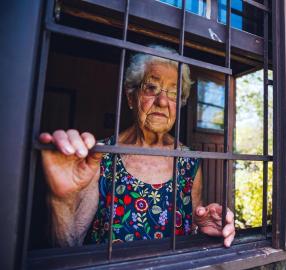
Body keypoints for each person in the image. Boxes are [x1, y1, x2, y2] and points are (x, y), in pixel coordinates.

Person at [39, 45, 235, 247]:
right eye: (151, 88)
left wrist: (203, 228)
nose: (162, 101)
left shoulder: (189, 160)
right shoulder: (100, 155)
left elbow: (191, 224)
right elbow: (71, 243)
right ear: (131, 97)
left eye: (174, 93)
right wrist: (61, 201)